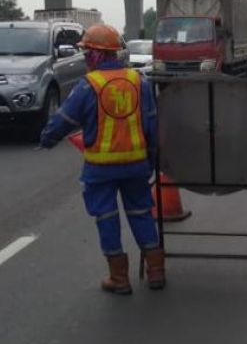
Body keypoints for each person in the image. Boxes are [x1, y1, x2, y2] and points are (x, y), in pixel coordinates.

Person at [39, 23, 165, 295]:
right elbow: (152, 126)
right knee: (142, 213)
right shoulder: (139, 82)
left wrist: (47, 139)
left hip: (101, 168)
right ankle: (156, 272)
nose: (84, 58)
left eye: (87, 53)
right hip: (135, 165)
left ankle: (119, 278)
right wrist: (152, 160)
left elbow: (64, 120)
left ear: (97, 55)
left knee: (106, 217)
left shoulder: (89, 86)